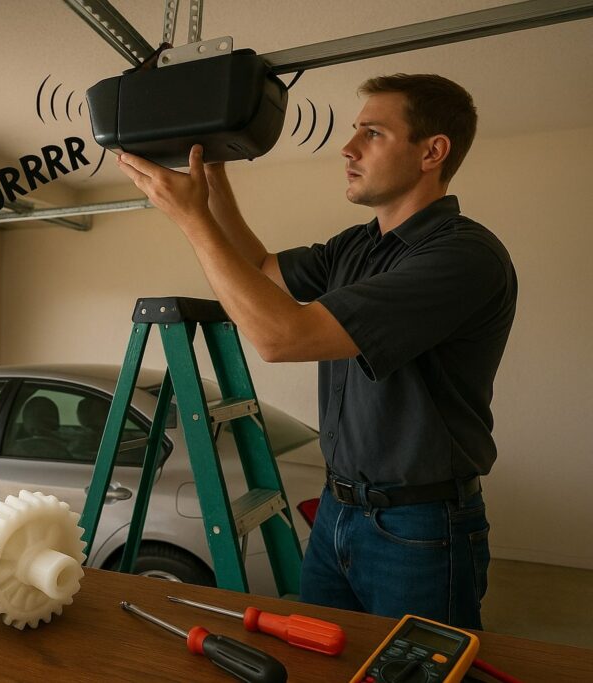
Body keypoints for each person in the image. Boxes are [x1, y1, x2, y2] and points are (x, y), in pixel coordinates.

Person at [115, 73, 516, 629]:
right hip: (337, 511)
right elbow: (260, 271)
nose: (347, 148)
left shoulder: (462, 256)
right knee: (321, 660)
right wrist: (211, 184)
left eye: (371, 134)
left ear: (433, 152)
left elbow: (283, 337)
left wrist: (190, 217)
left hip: (419, 527)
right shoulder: (357, 245)